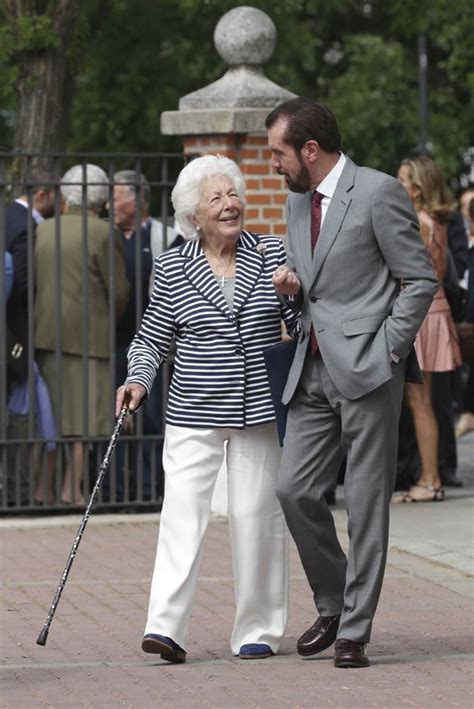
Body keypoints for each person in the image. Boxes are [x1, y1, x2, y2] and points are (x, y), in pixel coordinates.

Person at [265, 97, 437, 668]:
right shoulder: (295, 204)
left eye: (278, 154)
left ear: (310, 150)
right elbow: (312, 289)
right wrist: (291, 291)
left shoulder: (380, 191)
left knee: (366, 506)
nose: (273, 165)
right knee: (294, 490)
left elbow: (418, 279)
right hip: (309, 370)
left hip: (368, 370)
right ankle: (335, 600)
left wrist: (389, 350)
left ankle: (354, 632)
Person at [115, 154, 299, 663]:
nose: (229, 204)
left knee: (254, 515)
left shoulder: (272, 252)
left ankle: (258, 628)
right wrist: (137, 379)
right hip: (193, 409)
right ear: (194, 214)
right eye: (216, 198)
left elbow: (301, 325)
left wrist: (292, 299)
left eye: (233, 194)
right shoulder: (173, 265)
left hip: (259, 408)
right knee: (181, 514)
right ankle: (166, 627)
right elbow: (153, 336)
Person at [35, 164, 129, 505]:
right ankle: (70, 490)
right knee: (85, 419)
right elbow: (119, 291)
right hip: (90, 339)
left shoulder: (44, 230)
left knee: (52, 418)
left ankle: (42, 489)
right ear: (101, 197)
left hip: (45, 336)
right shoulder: (103, 233)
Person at [395, 157, 462, 503]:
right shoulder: (436, 222)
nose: (396, 184)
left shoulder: (418, 223)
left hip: (421, 314)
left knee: (419, 401)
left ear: (417, 190)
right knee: (426, 401)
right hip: (436, 312)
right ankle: (430, 478)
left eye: (402, 179)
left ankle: (430, 479)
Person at [110, 170, 175, 502]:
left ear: (137, 200)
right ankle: (116, 492)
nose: (111, 203)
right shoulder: (107, 236)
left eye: (117, 196)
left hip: (155, 344)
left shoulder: (168, 237)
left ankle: (150, 490)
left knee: (152, 418)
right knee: (116, 415)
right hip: (113, 343)